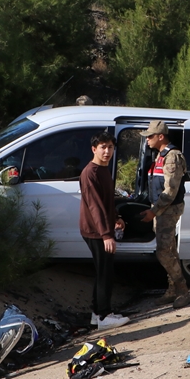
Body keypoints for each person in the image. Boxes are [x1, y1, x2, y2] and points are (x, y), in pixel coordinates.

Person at [140, 121, 190, 309]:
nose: (147, 140)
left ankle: (182, 290)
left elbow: (170, 190)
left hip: (167, 211)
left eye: (150, 136)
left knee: (163, 252)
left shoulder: (172, 157)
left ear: (161, 136)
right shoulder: (160, 156)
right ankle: (172, 290)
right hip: (161, 210)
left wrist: (154, 211)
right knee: (169, 250)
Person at [80, 131, 129, 329]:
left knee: (103, 271)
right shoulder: (90, 173)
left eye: (110, 147)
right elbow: (95, 207)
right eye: (103, 147)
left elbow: (107, 202)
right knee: (104, 273)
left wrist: (117, 217)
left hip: (102, 229)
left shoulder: (104, 169)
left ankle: (97, 313)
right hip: (95, 231)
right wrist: (106, 235)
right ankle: (104, 316)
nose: (107, 151)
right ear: (94, 149)